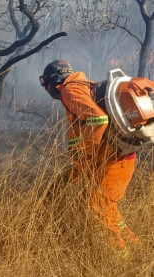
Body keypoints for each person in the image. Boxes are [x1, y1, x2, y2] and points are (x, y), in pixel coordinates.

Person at [40, 60, 140, 256]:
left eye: (46, 84)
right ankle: (136, 248)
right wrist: (77, 168)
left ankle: (123, 257)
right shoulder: (83, 86)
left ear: (53, 81)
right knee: (107, 207)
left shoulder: (70, 90)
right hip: (116, 157)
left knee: (97, 206)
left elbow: (98, 120)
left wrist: (88, 156)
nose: (47, 89)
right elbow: (85, 126)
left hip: (114, 159)